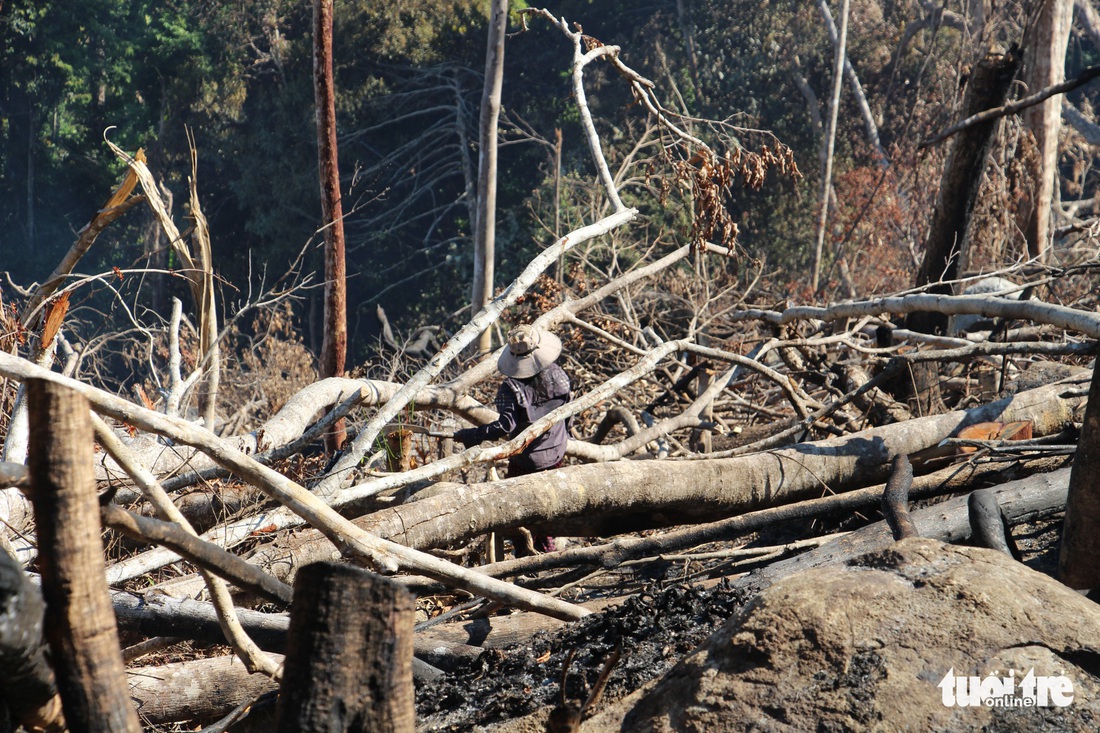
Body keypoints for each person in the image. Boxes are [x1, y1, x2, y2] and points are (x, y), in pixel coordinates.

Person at [454, 324, 571, 553]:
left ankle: (528, 555)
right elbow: (569, 412)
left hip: (527, 461)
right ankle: (545, 545)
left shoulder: (510, 387)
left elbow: (504, 426)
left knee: (519, 511)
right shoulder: (559, 374)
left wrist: (471, 436)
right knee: (547, 502)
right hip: (557, 452)